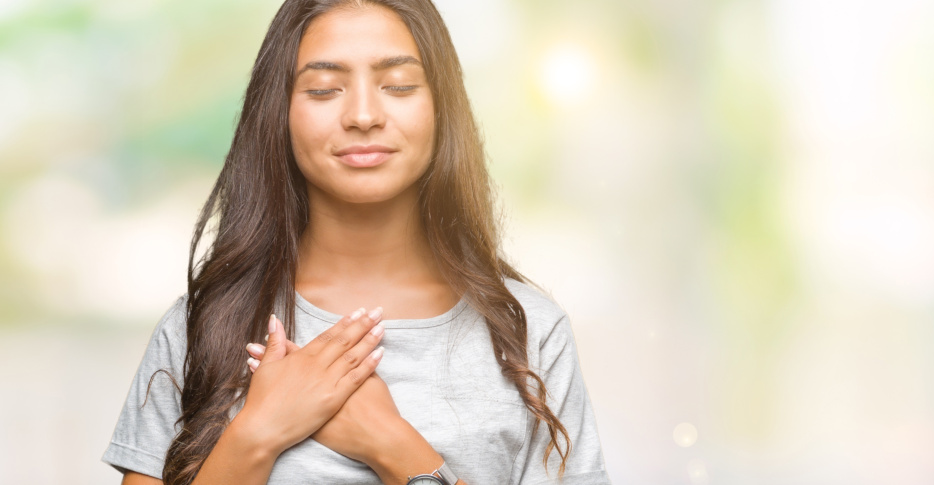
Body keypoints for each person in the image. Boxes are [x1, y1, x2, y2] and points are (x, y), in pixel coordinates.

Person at [102, 1, 611, 484]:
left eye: (399, 85)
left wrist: (394, 447)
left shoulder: (531, 333)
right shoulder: (205, 324)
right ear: (278, 112)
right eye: (324, 90)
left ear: (442, 107)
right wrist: (258, 433)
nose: (363, 115)